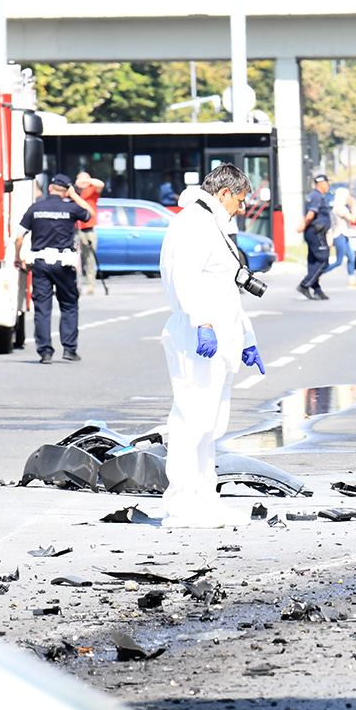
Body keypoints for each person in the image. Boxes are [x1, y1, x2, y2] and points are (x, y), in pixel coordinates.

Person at [158, 164, 266, 528]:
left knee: (209, 426)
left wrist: (247, 338)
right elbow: (185, 279)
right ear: (223, 194)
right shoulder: (194, 224)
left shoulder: (212, 223)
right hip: (198, 335)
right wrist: (202, 322)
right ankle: (180, 506)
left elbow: (224, 289)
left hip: (218, 335)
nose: (241, 207)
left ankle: (205, 500)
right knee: (191, 421)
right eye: (240, 200)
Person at [14, 173, 94, 364]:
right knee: (69, 304)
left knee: (42, 308)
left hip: (40, 263)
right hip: (64, 263)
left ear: (50, 188)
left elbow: (19, 236)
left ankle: (45, 352)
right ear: (67, 190)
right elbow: (89, 213)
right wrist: (74, 196)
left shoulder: (35, 208)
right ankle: (69, 348)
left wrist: (17, 257)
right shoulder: (71, 208)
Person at [297, 174, 332, 300]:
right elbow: (310, 215)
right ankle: (305, 284)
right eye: (327, 183)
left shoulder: (313, 195)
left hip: (313, 231)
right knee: (323, 260)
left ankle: (317, 290)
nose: (328, 186)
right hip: (316, 232)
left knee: (313, 261)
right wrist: (303, 226)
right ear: (322, 184)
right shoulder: (316, 196)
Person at [73, 171, 105, 295]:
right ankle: (75, 285)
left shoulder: (91, 191)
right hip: (76, 229)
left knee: (90, 259)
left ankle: (90, 285)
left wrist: (87, 181)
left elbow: (100, 184)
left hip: (88, 229)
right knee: (75, 259)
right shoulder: (74, 193)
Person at [325, 187, 356, 288]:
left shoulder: (340, 208)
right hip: (339, 235)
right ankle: (319, 273)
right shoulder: (340, 208)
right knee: (339, 261)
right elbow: (354, 220)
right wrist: (353, 206)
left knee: (351, 257)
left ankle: (352, 280)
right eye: (348, 195)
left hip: (344, 235)